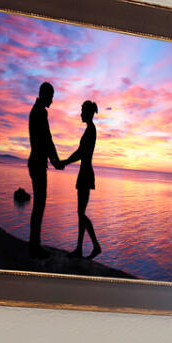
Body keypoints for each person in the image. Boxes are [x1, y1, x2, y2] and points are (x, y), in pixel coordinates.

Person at [24, 82, 63, 255]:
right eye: (51, 97)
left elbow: (46, 140)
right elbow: (47, 139)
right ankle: (35, 246)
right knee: (39, 203)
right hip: (38, 163)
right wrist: (55, 160)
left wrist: (54, 160)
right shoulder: (40, 111)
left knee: (39, 203)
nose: (52, 101)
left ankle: (34, 243)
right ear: (44, 95)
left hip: (36, 162)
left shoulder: (36, 110)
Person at [66, 100, 102, 259]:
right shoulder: (89, 130)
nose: (80, 114)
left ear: (88, 112)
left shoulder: (91, 130)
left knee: (81, 213)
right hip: (84, 173)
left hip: (86, 174)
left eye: (82, 111)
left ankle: (95, 246)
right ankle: (80, 249)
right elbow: (81, 152)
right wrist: (65, 162)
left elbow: (81, 153)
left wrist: (64, 162)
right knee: (80, 213)